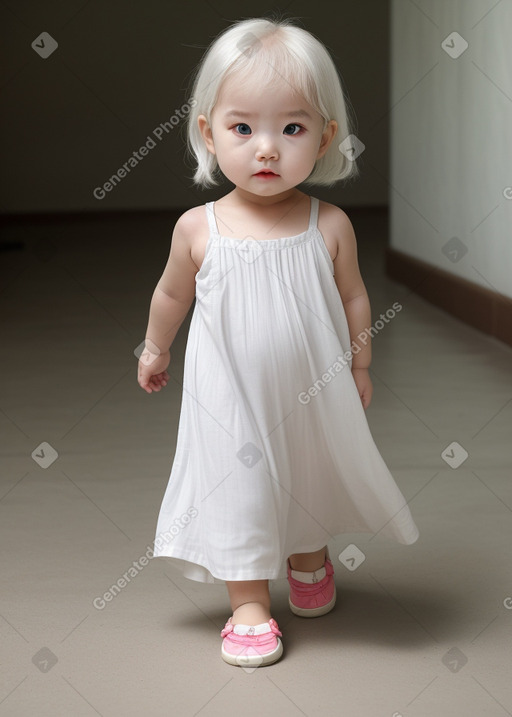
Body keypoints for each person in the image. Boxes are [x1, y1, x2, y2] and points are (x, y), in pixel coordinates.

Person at [137, 16, 419, 668]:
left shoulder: (330, 224)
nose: (267, 149)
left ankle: (309, 557)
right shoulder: (198, 228)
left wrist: (362, 358)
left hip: (311, 389)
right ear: (208, 132)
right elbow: (171, 295)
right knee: (239, 485)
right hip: (227, 395)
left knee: (309, 467)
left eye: (291, 129)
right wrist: (155, 349)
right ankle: (247, 601)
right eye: (243, 128)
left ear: (325, 137)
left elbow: (353, 297)